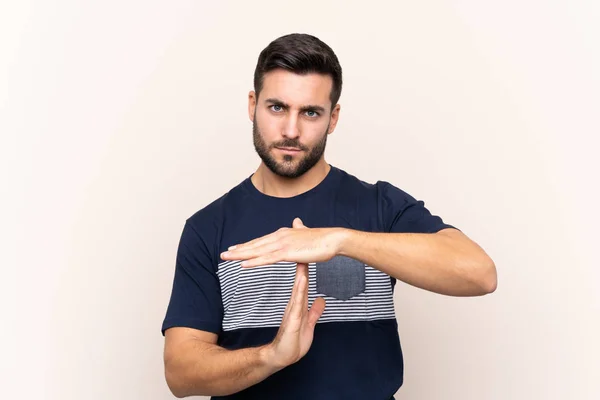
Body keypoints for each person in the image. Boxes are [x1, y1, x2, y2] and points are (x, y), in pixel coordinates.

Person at [161, 33, 497, 400]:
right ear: (252, 105)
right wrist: (270, 357)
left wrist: (341, 240)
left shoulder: (378, 206)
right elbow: (181, 373)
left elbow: (478, 273)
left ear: (333, 117)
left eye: (310, 113)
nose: (291, 130)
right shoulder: (208, 227)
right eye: (277, 108)